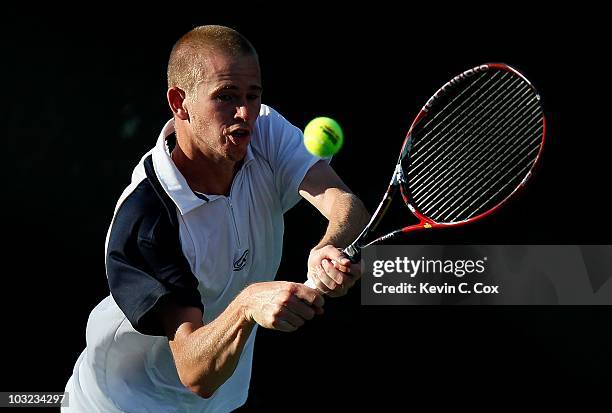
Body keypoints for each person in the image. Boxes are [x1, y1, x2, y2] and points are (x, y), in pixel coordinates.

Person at [63, 25, 369, 412]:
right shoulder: (147, 219)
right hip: (118, 404)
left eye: (252, 96)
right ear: (180, 102)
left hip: (220, 404)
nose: (244, 113)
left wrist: (331, 245)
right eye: (225, 97)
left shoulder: (264, 130)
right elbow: (196, 372)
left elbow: (345, 204)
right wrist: (247, 303)